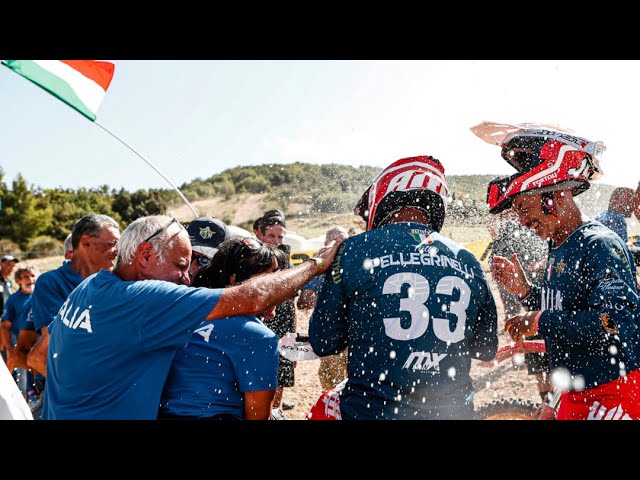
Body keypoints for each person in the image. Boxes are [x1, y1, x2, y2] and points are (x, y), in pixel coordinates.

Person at [44, 214, 341, 419]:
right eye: (181, 265)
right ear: (145, 256)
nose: (186, 279)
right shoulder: (144, 300)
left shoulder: (88, 287)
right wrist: (315, 264)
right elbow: (254, 298)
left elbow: (38, 356)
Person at [309, 155, 499, 420]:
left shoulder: (354, 248)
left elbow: (324, 341)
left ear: (384, 196)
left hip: (373, 412)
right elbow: (486, 348)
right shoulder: (467, 258)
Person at [482, 123, 640, 420]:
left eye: (524, 207)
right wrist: (527, 291)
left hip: (612, 394)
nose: (522, 221)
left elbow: (613, 322)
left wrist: (539, 321)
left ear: (554, 196)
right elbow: (566, 311)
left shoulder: (599, 244)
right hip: (576, 392)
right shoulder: (559, 246)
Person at [159, 237, 287, 420]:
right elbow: (258, 417)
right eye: (270, 279)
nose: (281, 287)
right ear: (235, 281)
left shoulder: (182, 315)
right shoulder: (257, 336)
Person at [25, 214, 121, 377]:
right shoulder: (51, 283)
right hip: (67, 389)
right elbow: (57, 346)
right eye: (112, 244)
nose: (117, 251)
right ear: (86, 242)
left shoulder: (117, 281)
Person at [484, 209, 551, 401]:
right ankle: (519, 350)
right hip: (520, 274)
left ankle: (519, 351)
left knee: (520, 315)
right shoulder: (520, 219)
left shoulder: (517, 220)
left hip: (524, 276)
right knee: (518, 316)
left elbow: (493, 231)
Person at [254, 209, 298, 416]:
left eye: (280, 237)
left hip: (282, 326)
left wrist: (293, 338)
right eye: (271, 236)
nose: (276, 241)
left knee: (282, 372)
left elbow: (292, 305)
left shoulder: (286, 261)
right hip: (257, 326)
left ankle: (276, 411)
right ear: (260, 234)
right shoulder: (250, 260)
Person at [298, 226, 350, 391]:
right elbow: (303, 302)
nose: (338, 246)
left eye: (342, 242)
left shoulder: (355, 263)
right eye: (334, 242)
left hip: (355, 331)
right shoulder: (320, 266)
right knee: (332, 383)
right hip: (331, 332)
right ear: (326, 244)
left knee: (356, 380)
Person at [0, 264, 39, 408]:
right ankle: (22, 402)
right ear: (18, 281)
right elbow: (5, 325)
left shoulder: (42, 296)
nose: (30, 279)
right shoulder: (14, 299)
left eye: (32, 276)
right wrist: (10, 351)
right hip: (20, 342)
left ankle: (36, 395)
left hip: (38, 341)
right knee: (22, 373)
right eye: (25, 277)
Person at [0, 255, 18, 364]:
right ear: (1, 264)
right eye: (8, 265)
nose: (11, 268)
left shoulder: (9, 282)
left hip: (8, 322)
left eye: (13, 266)